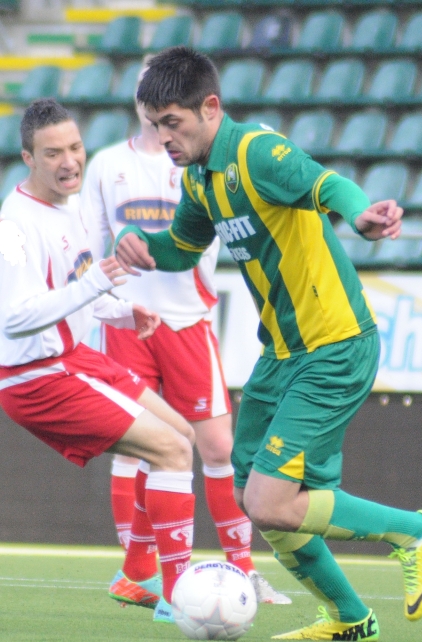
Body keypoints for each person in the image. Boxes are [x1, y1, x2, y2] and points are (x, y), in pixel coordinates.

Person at [114, 46, 422, 641]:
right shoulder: (198, 178)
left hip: (334, 344)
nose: (164, 136)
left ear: (210, 108)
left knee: (271, 501)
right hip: (281, 356)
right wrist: (140, 242)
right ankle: (350, 619)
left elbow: (326, 184)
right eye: (154, 125)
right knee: (251, 493)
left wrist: (360, 215)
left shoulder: (256, 152)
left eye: (173, 122)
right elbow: (182, 249)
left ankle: (417, 530)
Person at [81, 67, 290, 606]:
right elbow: (88, 244)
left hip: (187, 319)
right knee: (141, 449)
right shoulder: (107, 165)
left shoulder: (201, 160)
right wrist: (102, 309)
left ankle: (242, 569)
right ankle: (142, 572)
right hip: (127, 322)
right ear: (138, 100)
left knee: (218, 446)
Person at [0, 98, 195, 624]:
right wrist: (94, 286)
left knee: (184, 436)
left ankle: (136, 573)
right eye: (52, 153)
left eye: (75, 147)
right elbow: (13, 319)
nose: (69, 161)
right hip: (36, 377)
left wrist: (120, 310)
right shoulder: (14, 227)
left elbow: (76, 284)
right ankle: (181, 599)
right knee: (173, 450)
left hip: (76, 357)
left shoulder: (72, 207)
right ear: (28, 159)